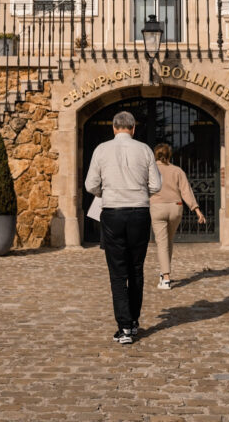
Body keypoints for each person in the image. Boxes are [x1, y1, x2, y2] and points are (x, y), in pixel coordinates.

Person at [85, 110, 162, 345]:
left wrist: (107, 193)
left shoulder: (101, 149)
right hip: (139, 211)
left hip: (113, 212)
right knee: (136, 268)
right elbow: (156, 185)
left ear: (113, 127)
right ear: (133, 128)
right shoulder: (145, 149)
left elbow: (90, 185)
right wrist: (138, 193)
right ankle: (134, 321)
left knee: (118, 272)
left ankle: (124, 327)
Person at [150, 143, 205, 289]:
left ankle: (166, 278)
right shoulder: (177, 170)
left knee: (162, 243)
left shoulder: (150, 170)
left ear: (155, 155)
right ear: (169, 155)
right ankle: (164, 272)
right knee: (169, 241)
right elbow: (186, 191)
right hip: (176, 207)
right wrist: (197, 210)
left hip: (157, 207)